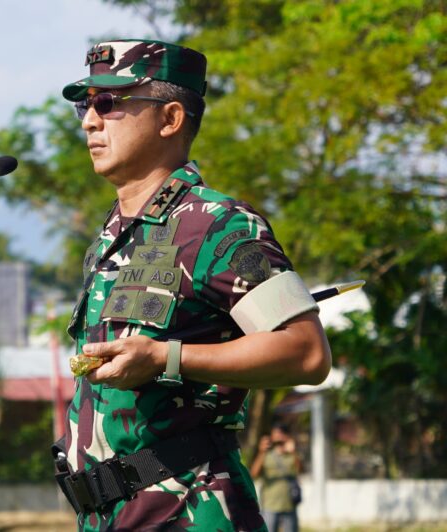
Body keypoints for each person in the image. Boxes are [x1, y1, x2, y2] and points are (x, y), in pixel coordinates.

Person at [52, 39, 332, 531]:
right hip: (111, 516)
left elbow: (306, 352)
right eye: (85, 104)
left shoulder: (219, 225)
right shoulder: (113, 236)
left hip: (187, 510)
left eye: (108, 103)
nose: (89, 122)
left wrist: (166, 358)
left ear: (171, 118)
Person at [250, 424, 302, 532]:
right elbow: (254, 474)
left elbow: (300, 470)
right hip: (270, 504)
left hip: (289, 504)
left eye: (280, 434)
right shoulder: (266, 454)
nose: (278, 437)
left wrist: (294, 452)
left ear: (286, 436)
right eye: (275, 435)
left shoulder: (291, 454)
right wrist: (261, 452)